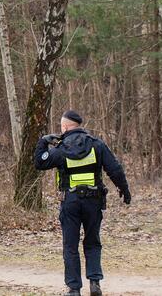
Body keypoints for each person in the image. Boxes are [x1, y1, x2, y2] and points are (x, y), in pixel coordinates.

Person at [33, 110, 131, 296]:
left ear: (65, 127)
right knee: (93, 242)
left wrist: (43, 141)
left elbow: (39, 162)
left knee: (70, 246)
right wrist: (124, 190)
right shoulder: (96, 145)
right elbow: (115, 170)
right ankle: (94, 283)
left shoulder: (61, 149)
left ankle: (74, 288)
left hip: (70, 202)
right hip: (93, 201)